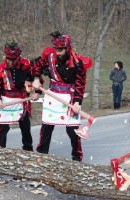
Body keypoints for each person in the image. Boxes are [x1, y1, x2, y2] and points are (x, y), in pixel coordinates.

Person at [32, 31, 92, 161]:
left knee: (72, 131)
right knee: (46, 128)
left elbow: (80, 84)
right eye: (56, 49)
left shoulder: (77, 63)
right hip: (52, 96)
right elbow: (36, 66)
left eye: (60, 50)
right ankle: (42, 156)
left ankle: (76, 158)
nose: (57, 52)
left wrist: (77, 102)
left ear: (67, 48)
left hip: (70, 98)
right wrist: (36, 78)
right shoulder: (50, 57)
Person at [0, 41, 41, 150]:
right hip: (5, 100)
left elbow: (36, 77)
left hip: (22, 99)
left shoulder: (26, 65)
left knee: (25, 127)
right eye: (8, 59)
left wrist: (37, 92)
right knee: (3, 128)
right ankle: (0, 150)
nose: (11, 62)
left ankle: (28, 150)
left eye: (14, 59)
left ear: (19, 57)